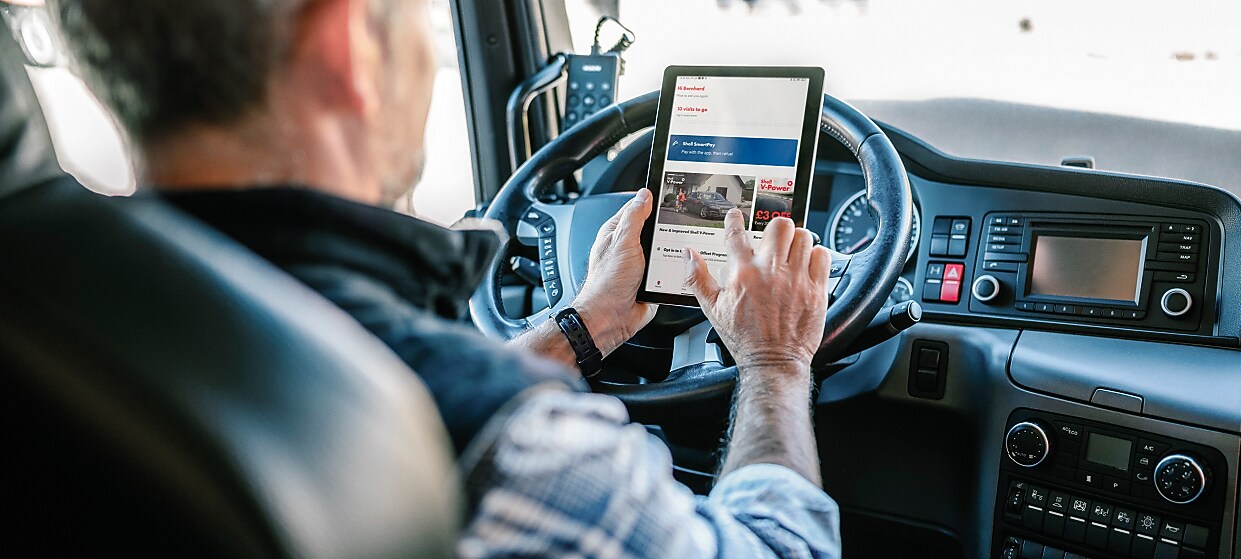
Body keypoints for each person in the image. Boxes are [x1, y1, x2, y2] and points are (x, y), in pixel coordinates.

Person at [49, 0, 839, 556]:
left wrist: (590, 321)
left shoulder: (62, 321)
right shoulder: (527, 457)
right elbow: (776, 548)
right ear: (349, 47)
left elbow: (391, 381)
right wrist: (775, 359)